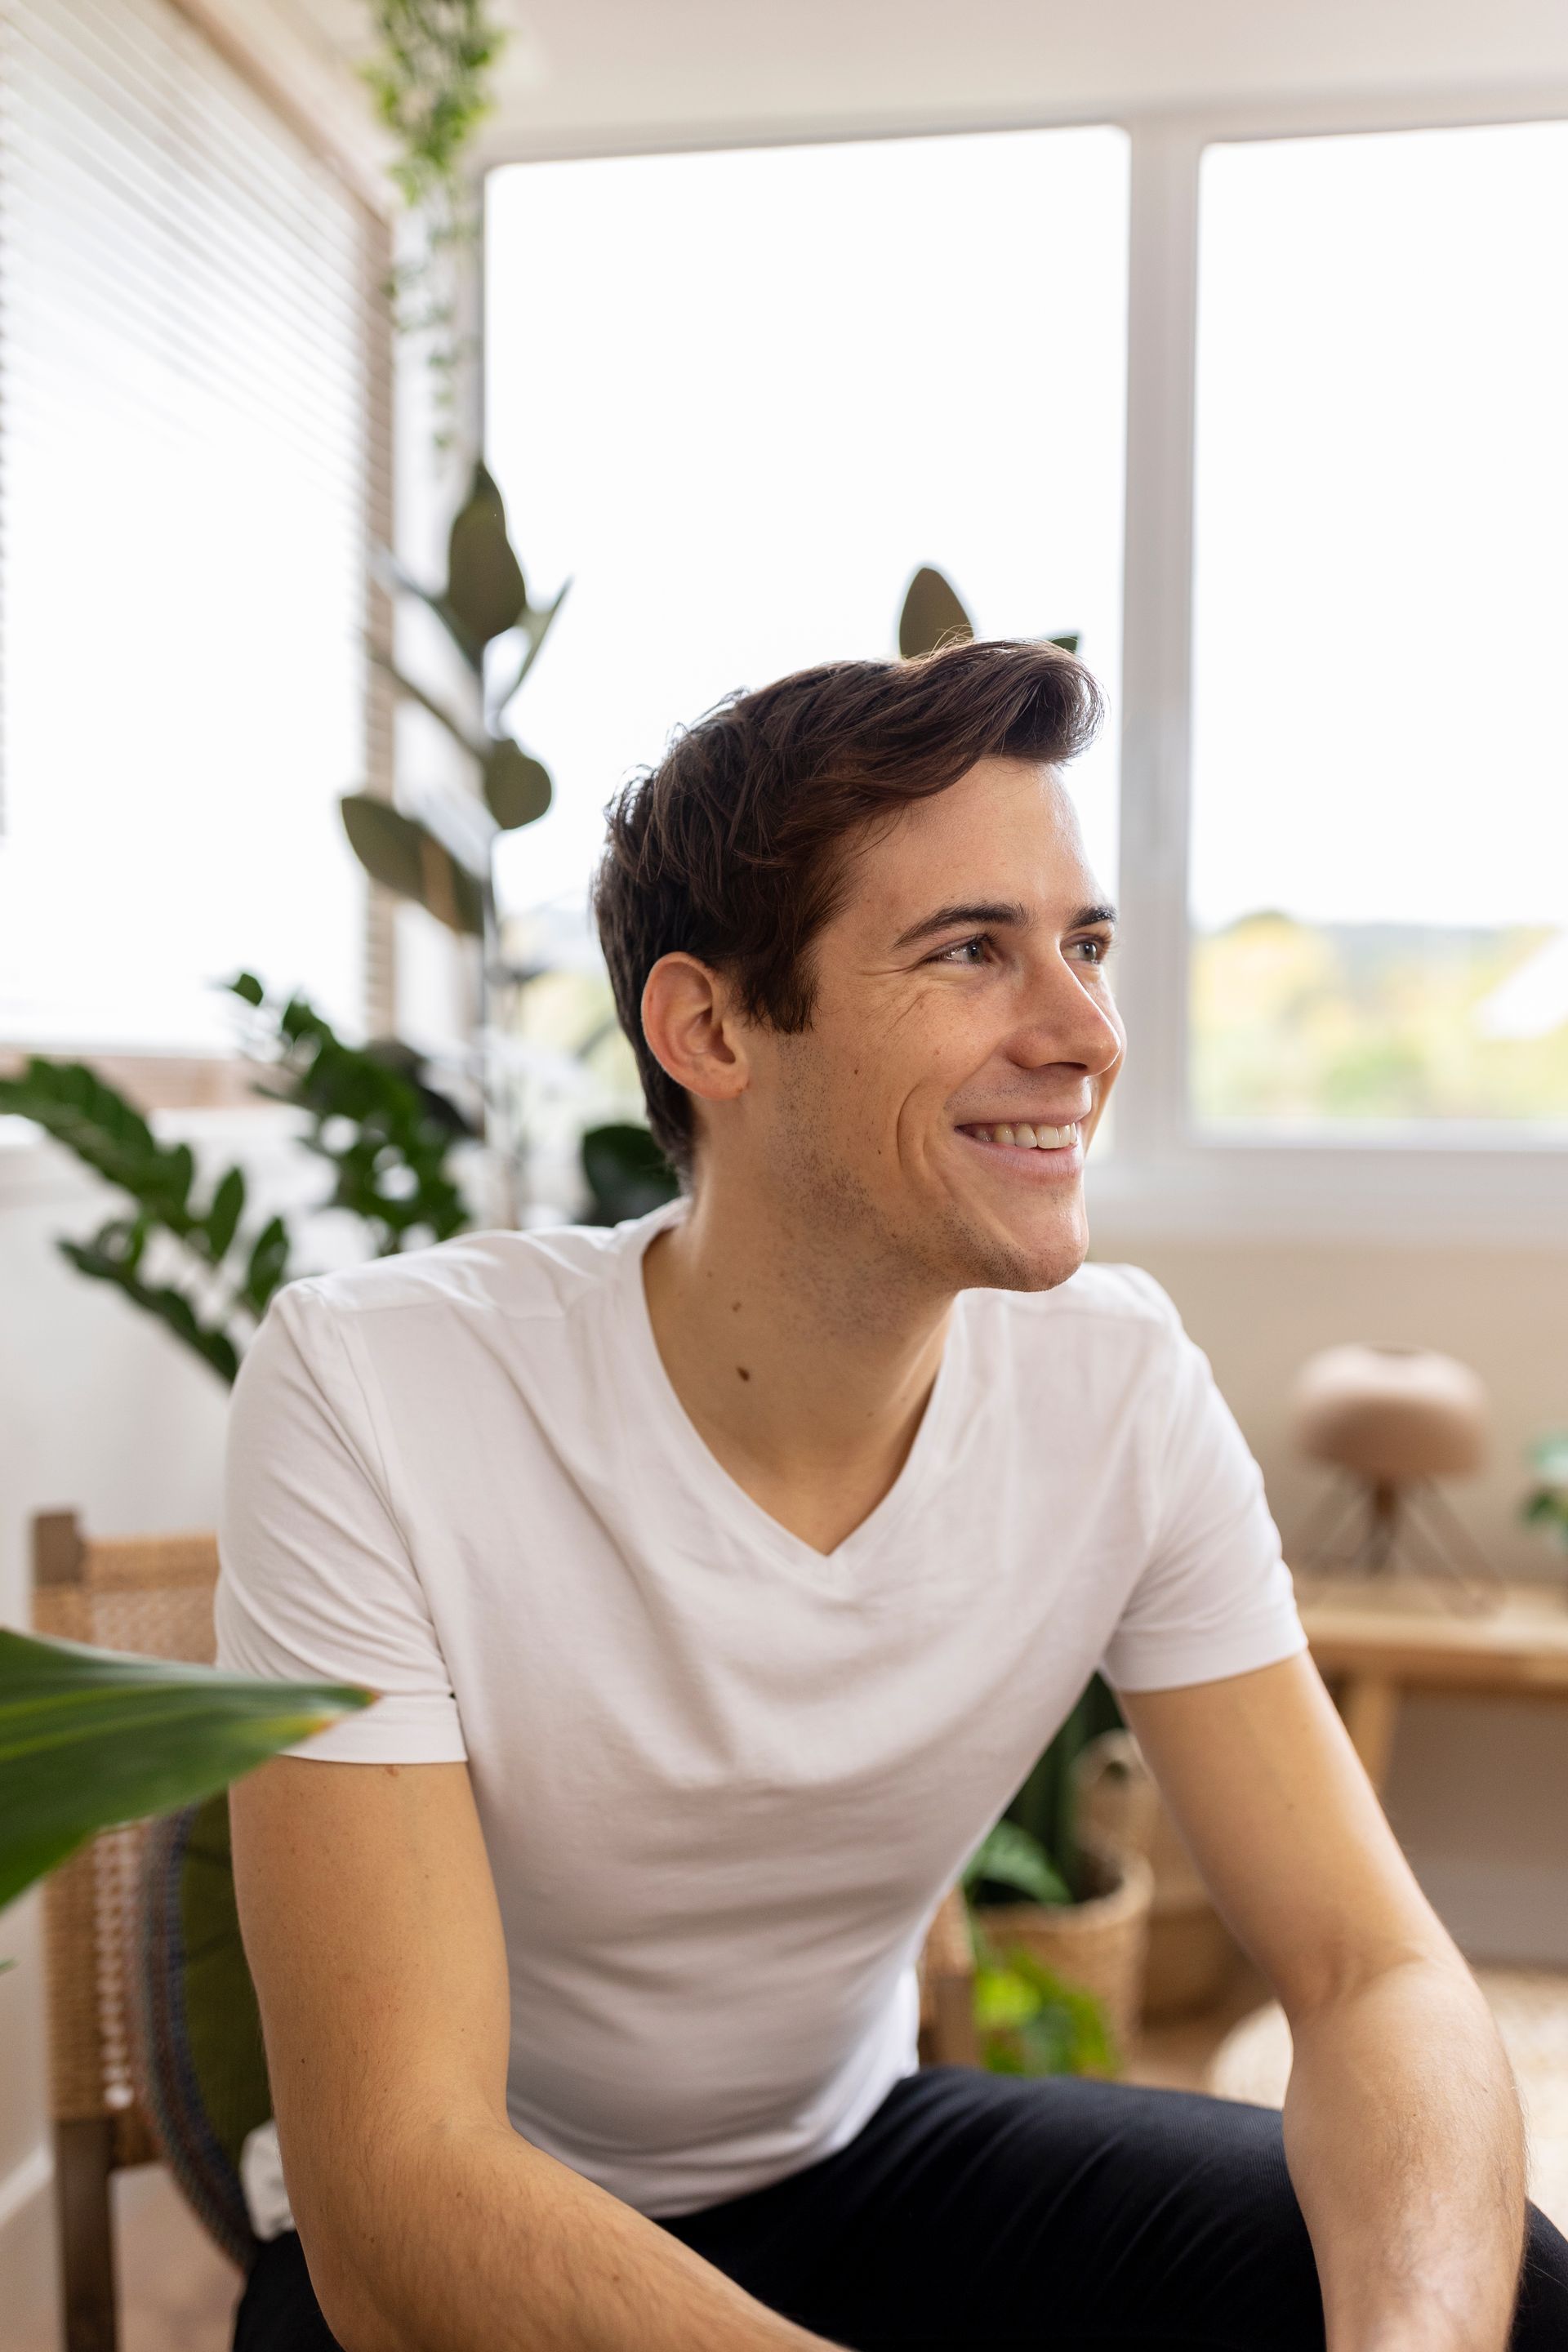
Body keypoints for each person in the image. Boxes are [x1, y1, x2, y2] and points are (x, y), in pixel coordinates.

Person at [221, 639, 1568, 2352]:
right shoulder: (377, 1388)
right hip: (470, 2234)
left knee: (1496, 2284)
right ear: (709, 1025)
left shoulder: (1118, 1384)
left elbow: (1376, 1974)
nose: (1086, 1033)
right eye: (970, 953)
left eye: (1083, 946)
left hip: (855, 2168)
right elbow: (400, 2178)